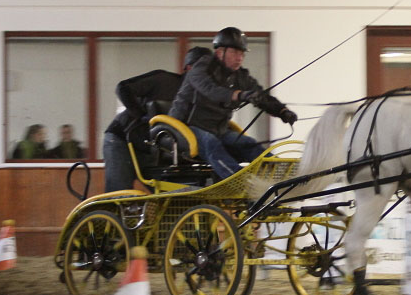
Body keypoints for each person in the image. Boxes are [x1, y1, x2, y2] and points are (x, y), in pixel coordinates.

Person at [169, 27, 297, 181]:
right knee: (211, 144)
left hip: (218, 130)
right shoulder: (202, 67)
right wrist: (240, 95)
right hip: (185, 128)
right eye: (235, 52)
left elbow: (260, 95)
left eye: (242, 53)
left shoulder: (240, 76)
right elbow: (211, 90)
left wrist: (282, 111)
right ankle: (240, 182)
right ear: (219, 52)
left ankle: (283, 176)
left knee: (248, 144)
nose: (240, 58)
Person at [103, 46, 212, 192]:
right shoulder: (163, 80)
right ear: (189, 68)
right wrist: (142, 116)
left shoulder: (198, 101)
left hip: (149, 148)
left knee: (167, 194)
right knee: (119, 192)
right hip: (121, 139)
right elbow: (123, 88)